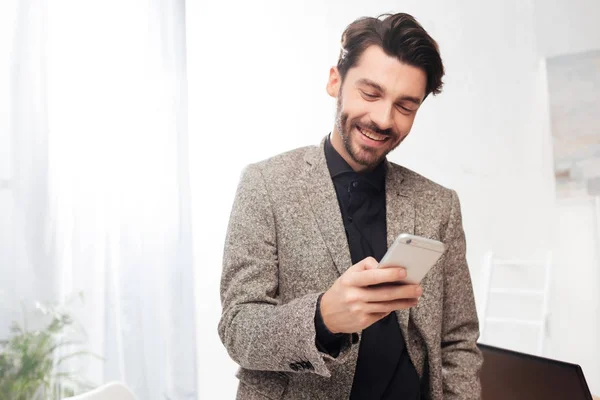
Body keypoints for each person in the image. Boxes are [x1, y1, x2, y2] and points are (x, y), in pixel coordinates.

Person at [218, 12, 482, 400]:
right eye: (370, 93)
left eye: (405, 106)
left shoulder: (439, 205)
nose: (382, 118)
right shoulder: (266, 185)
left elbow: (458, 341)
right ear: (335, 81)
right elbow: (238, 328)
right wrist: (323, 318)